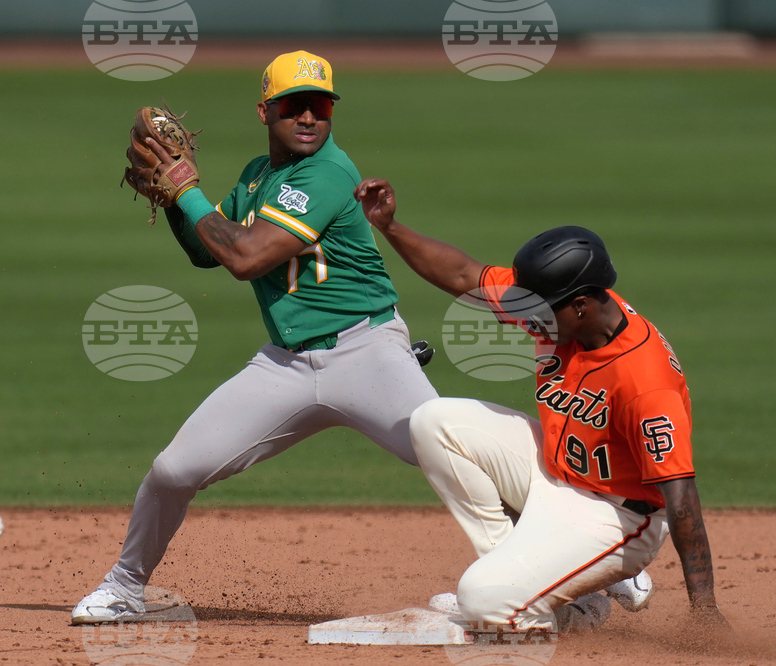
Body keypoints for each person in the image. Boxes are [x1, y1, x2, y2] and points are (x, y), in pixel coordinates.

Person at [71, 52, 438, 624]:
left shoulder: (329, 173)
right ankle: (124, 587)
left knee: (457, 456)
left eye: (321, 106)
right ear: (266, 111)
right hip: (287, 367)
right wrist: (173, 200)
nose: (310, 117)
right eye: (295, 106)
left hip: (367, 352)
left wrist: (186, 188)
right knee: (173, 471)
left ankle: (588, 569)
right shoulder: (256, 176)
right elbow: (204, 250)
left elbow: (246, 258)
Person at [353, 178, 727, 634]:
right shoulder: (563, 304)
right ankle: (533, 583)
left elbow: (681, 495)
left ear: (583, 306)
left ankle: (548, 611)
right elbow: (463, 276)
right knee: (435, 420)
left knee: (480, 601)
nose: (527, 315)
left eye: (541, 308)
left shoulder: (644, 381)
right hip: (556, 474)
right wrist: (390, 227)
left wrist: (704, 611)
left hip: (618, 516)